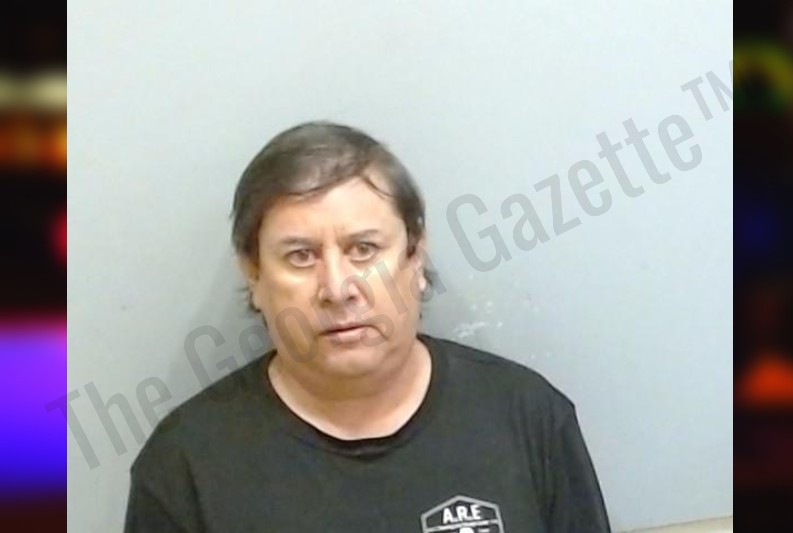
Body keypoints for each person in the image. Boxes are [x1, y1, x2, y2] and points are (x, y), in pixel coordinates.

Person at [124, 121, 611, 532]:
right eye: (301, 255)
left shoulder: (528, 419)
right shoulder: (185, 466)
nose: (337, 289)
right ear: (254, 275)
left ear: (415, 257)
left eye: (364, 249)